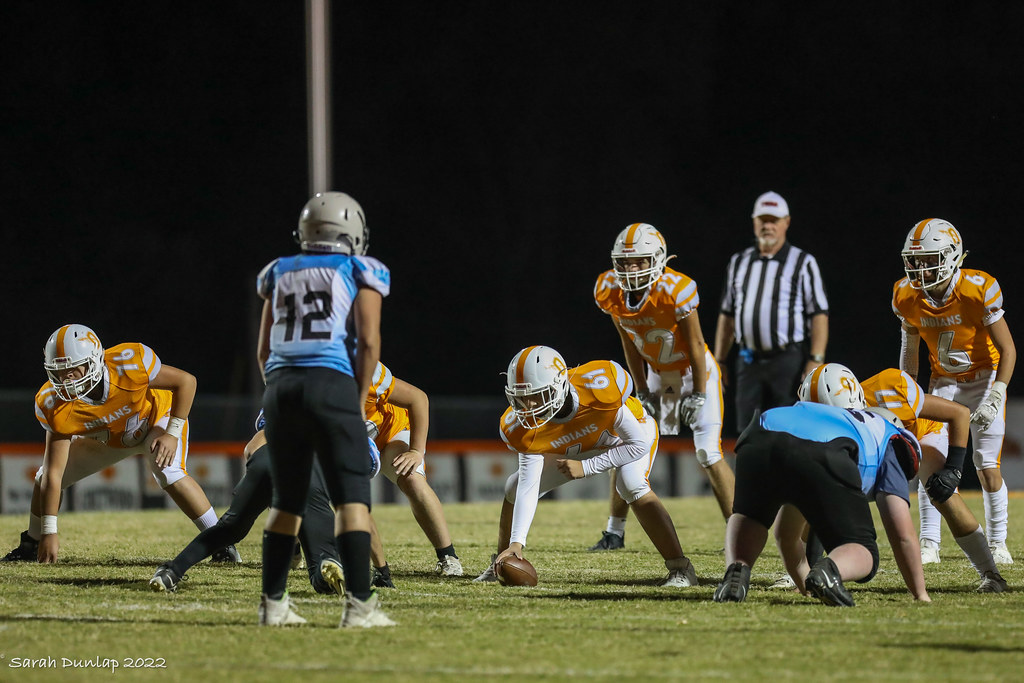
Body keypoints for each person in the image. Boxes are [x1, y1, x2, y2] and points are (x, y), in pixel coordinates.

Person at [255, 191, 394, 628]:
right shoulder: (359, 268)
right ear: (352, 232)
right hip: (331, 383)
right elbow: (368, 342)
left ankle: (273, 605)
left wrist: (280, 391)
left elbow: (263, 351)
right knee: (352, 501)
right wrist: (354, 399)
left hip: (281, 386)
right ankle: (360, 607)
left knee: (286, 503)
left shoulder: (278, 271)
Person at [2, 324, 238, 565]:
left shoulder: (129, 365)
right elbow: (54, 473)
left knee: (168, 471)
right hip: (110, 437)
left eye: (72, 369)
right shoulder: (54, 404)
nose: (65, 379)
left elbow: (186, 382)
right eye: (59, 372)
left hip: (154, 420)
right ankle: (31, 544)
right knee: (44, 477)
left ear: (94, 360)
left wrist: (171, 433)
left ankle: (221, 542)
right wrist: (49, 531)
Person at [473, 346, 700, 587]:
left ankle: (681, 568)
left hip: (625, 437)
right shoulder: (522, 427)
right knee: (514, 485)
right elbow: (528, 485)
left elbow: (638, 444)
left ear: (559, 385)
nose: (527, 406)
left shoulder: (598, 393)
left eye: (536, 395)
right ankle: (502, 561)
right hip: (582, 446)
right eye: (520, 397)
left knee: (631, 483)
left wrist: (587, 467)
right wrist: (517, 542)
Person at [714, 364, 929, 606]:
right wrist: (920, 593)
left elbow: (786, 537)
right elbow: (902, 535)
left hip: (762, 429)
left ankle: (737, 569)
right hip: (828, 445)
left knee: (751, 517)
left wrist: (805, 587)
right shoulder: (890, 439)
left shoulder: (818, 413)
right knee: (863, 550)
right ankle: (831, 570)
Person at [588, 223, 734, 551]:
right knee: (626, 442)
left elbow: (695, 345)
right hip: (658, 375)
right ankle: (614, 532)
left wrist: (699, 392)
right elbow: (629, 342)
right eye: (624, 262)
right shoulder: (610, 290)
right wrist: (642, 389)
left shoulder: (675, 289)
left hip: (694, 372)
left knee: (708, 452)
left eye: (638, 261)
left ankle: (739, 533)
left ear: (657, 258)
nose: (630, 269)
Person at [149, 410, 384, 594]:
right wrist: (382, 570)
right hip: (308, 474)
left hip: (265, 461)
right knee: (322, 554)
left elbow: (250, 450)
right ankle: (325, 566)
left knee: (228, 529)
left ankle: (171, 571)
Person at [893, 218, 1016, 564]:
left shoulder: (978, 289)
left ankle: (997, 542)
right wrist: (907, 394)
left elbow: (1008, 349)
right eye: (914, 260)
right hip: (943, 381)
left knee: (986, 465)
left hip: (984, 379)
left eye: (927, 259)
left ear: (950, 255)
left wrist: (997, 393)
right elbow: (909, 352)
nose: (919, 268)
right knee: (929, 461)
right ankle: (929, 542)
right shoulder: (905, 295)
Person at [860, 368, 1006, 592]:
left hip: (923, 433)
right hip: (879, 447)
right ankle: (806, 568)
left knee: (942, 492)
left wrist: (954, 469)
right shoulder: (833, 416)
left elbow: (959, 413)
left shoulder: (888, 387)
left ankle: (991, 573)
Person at [714, 191, 830, 432]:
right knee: (746, 432)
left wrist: (816, 359)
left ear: (786, 222)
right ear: (754, 222)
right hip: (748, 360)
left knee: (787, 430)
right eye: (763, 220)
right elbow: (727, 315)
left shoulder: (802, 262)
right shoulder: (739, 261)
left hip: (787, 361)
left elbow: (818, 314)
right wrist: (720, 360)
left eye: (773, 220)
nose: (768, 226)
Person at [365, 361, 463, 579]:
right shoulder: (306, 380)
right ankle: (297, 548)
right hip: (350, 444)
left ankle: (447, 555)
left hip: (391, 432)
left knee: (411, 478)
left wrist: (417, 450)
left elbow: (418, 398)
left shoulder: (364, 371)